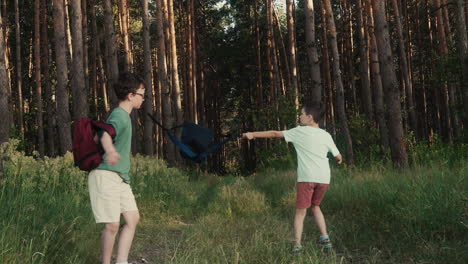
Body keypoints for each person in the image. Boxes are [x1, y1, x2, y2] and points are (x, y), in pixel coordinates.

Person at [242, 103, 342, 254]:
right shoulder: (326, 135)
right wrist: (338, 159)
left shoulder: (299, 132)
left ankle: (297, 245)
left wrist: (253, 134)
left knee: (301, 212)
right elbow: (338, 156)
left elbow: (275, 134)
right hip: (324, 179)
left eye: (301, 114)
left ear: (309, 117)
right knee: (315, 207)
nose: (299, 117)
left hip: (307, 178)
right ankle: (325, 239)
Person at [88, 72, 145, 264]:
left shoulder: (122, 116)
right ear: (130, 95)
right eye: (141, 95)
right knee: (112, 225)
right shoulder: (119, 115)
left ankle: (121, 261)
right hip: (106, 175)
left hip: (120, 178)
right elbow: (104, 134)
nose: (143, 99)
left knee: (132, 219)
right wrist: (110, 150)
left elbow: (99, 136)